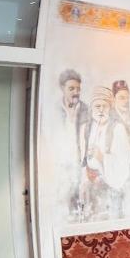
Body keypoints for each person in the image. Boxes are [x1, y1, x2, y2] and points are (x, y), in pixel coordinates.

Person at [82, 86, 130, 219]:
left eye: (105, 106)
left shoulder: (118, 129)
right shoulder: (87, 128)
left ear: (110, 108)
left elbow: (124, 162)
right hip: (91, 188)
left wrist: (101, 157)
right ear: (92, 108)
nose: (101, 110)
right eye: (97, 106)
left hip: (110, 190)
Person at [56, 69, 89, 218]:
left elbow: (85, 140)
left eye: (78, 89)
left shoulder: (84, 109)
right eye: (71, 88)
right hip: (60, 165)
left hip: (78, 164)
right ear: (62, 88)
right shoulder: (55, 109)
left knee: (79, 200)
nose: (76, 92)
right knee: (62, 201)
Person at [112, 80, 130, 215]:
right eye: (121, 98)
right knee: (116, 208)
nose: (125, 101)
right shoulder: (109, 118)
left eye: (127, 98)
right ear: (114, 98)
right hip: (115, 170)